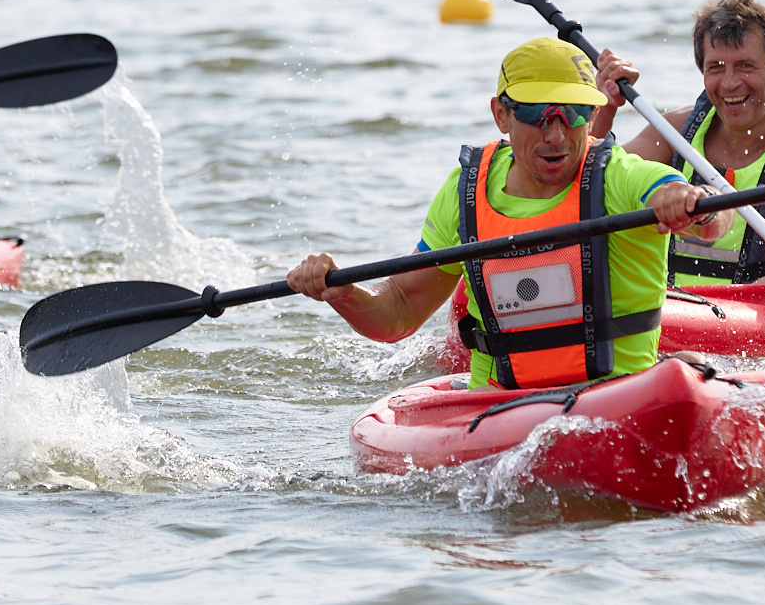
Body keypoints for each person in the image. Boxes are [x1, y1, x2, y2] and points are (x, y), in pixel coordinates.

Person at [286, 38, 730, 389]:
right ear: (502, 115)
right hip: (498, 404)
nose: (556, 135)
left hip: (616, 396)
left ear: (594, 113)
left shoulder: (621, 176)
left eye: (574, 114)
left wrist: (694, 204)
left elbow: (717, 216)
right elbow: (398, 312)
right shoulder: (465, 192)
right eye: (537, 114)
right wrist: (343, 293)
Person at [599, 0, 765, 289]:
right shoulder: (674, 133)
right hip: (683, 308)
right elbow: (593, 181)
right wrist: (605, 107)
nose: (730, 83)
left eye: (745, 66)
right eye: (716, 67)